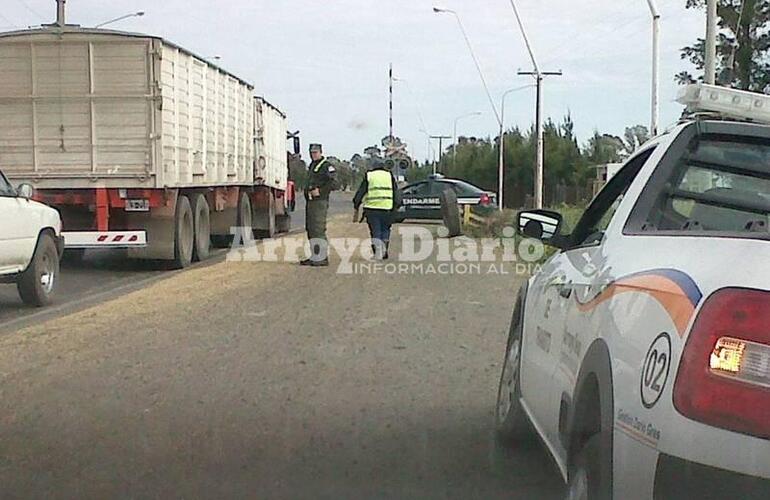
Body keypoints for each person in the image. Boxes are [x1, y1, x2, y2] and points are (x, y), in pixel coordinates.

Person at [353, 158, 402, 260]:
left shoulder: (369, 175)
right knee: (385, 229)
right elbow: (395, 191)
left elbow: (361, 191)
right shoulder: (389, 175)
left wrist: (356, 203)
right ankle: (384, 250)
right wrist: (397, 205)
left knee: (376, 230)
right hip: (387, 207)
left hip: (372, 208)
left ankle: (378, 251)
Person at [301, 144, 333, 267]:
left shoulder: (326, 165)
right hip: (311, 201)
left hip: (320, 202)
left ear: (320, 152)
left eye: (315, 152)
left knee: (318, 229)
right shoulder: (312, 165)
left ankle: (322, 257)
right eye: (311, 152)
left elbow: (333, 182)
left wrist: (320, 191)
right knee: (311, 229)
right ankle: (315, 256)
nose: (313, 154)